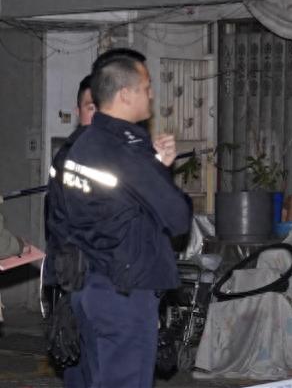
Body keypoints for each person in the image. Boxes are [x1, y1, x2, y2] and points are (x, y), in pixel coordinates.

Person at [54, 50, 192, 387]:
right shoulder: (124, 149)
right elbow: (177, 216)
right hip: (123, 294)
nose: (151, 94)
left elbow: (114, 204)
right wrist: (159, 168)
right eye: (146, 87)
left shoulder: (83, 145)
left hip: (92, 285)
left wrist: (152, 165)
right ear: (126, 94)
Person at [42, 74, 96, 385]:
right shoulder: (73, 156)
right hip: (77, 278)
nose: (97, 116)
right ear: (78, 111)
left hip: (90, 279)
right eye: (90, 108)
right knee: (82, 364)